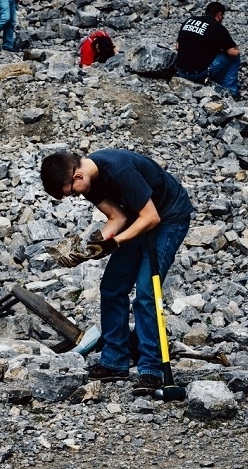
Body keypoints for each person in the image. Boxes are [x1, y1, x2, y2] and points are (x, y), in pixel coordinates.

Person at [40, 149, 193, 396]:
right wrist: (95, 246)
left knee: (146, 293)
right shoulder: (89, 183)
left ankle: (151, 370)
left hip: (168, 218)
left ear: (76, 176)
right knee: (112, 287)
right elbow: (117, 217)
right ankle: (115, 361)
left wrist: (115, 242)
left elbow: (151, 218)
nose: (75, 197)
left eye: (71, 192)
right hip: (137, 218)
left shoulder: (120, 170)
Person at [174, 1, 240, 98]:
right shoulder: (218, 28)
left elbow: (177, 47)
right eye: (222, 16)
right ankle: (231, 91)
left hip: (180, 71)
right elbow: (234, 52)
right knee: (233, 57)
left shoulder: (190, 20)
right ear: (219, 14)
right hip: (197, 74)